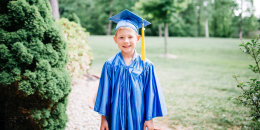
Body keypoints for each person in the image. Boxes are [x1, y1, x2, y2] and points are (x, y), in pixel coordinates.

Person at [94, 9, 167, 130]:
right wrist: (103, 120)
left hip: (138, 117)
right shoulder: (110, 65)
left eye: (130, 37)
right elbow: (104, 94)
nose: (126, 41)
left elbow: (150, 94)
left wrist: (149, 120)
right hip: (115, 117)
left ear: (138, 38)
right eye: (121, 37)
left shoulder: (146, 66)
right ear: (115, 39)